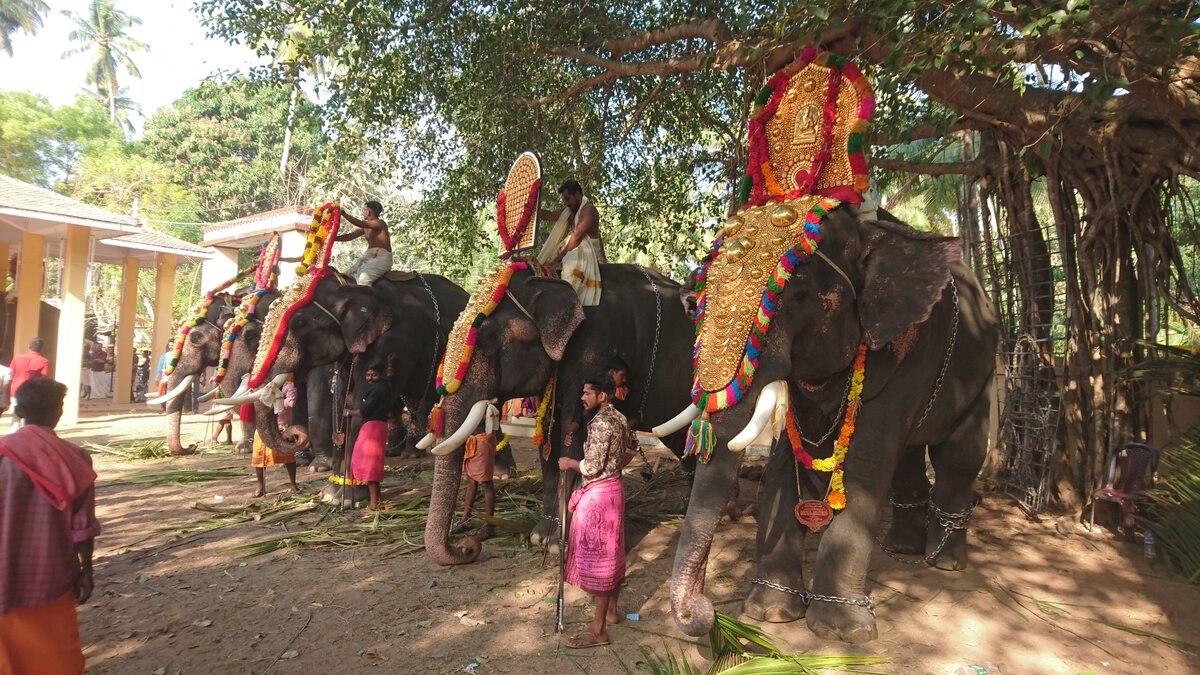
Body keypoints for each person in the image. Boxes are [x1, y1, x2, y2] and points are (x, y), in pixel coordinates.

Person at [0, 378, 100, 674]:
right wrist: (86, 570)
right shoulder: (75, 458)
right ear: (58, 411)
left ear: (19, 411)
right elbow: (82, 527)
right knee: (55, 655)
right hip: (51, 576)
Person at [558, 373, 637, 649]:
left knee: (601, 560)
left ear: (602, 396)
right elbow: (631, 449)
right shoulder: (620, 418)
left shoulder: (602, 422)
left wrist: (569, 462)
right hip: (614, 489)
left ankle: (598, 629)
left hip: (599, 496)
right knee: (612, 555)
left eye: (587, 393)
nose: (583, 397)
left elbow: (591, 467)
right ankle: (612, 612)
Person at [538, 180, 605, 305]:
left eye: (568, 199)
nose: (566, 203)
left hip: (586, 252)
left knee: (568, 265)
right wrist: (533, 209)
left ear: (578, 195)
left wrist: (559, 258)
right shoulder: (570, 211)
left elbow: (577, 236)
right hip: (573, 248)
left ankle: (570, 305)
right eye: (564, 200)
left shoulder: (589, 211)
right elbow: (551, 215)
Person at [347, 363, 391, 509]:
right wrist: (390, 364)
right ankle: (378, 500)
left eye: (374, 375)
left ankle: (373, 503)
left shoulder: (377, 390)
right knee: (373, 464)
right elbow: (391, 376)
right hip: (377, 426)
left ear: (380, 375)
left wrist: (349, 412)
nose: (370, 378)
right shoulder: (385, 386)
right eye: (368, 375)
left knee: (370, 464)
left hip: (373, 427)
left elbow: (364, 411)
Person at [453, 414, 500, 541]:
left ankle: (489, 527)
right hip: (470, 440)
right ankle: (465, 520)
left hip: (482, 441)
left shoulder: (488, 402)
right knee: (471, 481)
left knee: (486, 483)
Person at [336, 200, 393, 285]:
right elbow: (349, 237)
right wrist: (331, 238)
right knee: (345, 276)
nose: (363, 212)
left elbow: (360, 223)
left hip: (382, 258)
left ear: (368, 212)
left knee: (363, 280)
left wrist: (343, 213)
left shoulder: (380, 223)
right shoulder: (365, 227)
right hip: (368, 257)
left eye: (364, 209)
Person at [9, 338, 50, 431]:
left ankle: (13, 438)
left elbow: (11, 374)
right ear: (41, 348)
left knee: (15, 417)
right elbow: (43, 378)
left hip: (16, 390)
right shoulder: (44, 361)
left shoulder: (17, 358)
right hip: (32, 391)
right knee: (30, 417)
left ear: (29, 346)